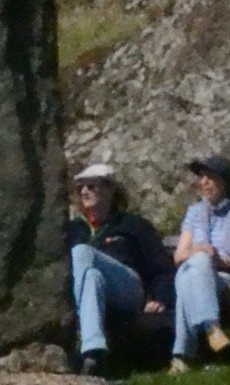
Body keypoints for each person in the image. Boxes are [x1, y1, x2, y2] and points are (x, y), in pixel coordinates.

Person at [63, 161, 171, 376]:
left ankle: (83, 341)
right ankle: (94, 353)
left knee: (81, 253)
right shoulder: (73, 229)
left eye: (92, 186)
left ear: (110, 189)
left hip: (128, 289)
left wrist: (159, 296)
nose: (84, 191)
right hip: (94, 290)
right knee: (91, 276)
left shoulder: (132, 225)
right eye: (80, 187)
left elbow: (161, 265)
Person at [169, 153, 230, 367]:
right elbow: (179, 256)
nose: (203, 182)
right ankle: (212, 328)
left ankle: (182, 356)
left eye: (209, 177)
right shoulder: (194, 212)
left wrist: (224, 263)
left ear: (224, 182)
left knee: (188, 279)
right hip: (195, 271)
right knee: (197, 264)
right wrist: (199, 250)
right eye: (201, 177)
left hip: (227, 280)